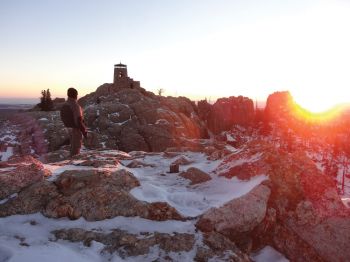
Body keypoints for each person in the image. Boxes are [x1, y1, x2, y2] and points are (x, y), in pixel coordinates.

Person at [65, 87, 87, 156]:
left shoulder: (66, 104)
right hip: (75, 129)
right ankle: (72, 164)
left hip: (68, 128)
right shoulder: (75, 105)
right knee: (76, 148)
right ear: (75, 95)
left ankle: (70, 162)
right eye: (76, 95)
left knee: (72, 146)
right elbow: (78, 120)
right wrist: (84, 131)